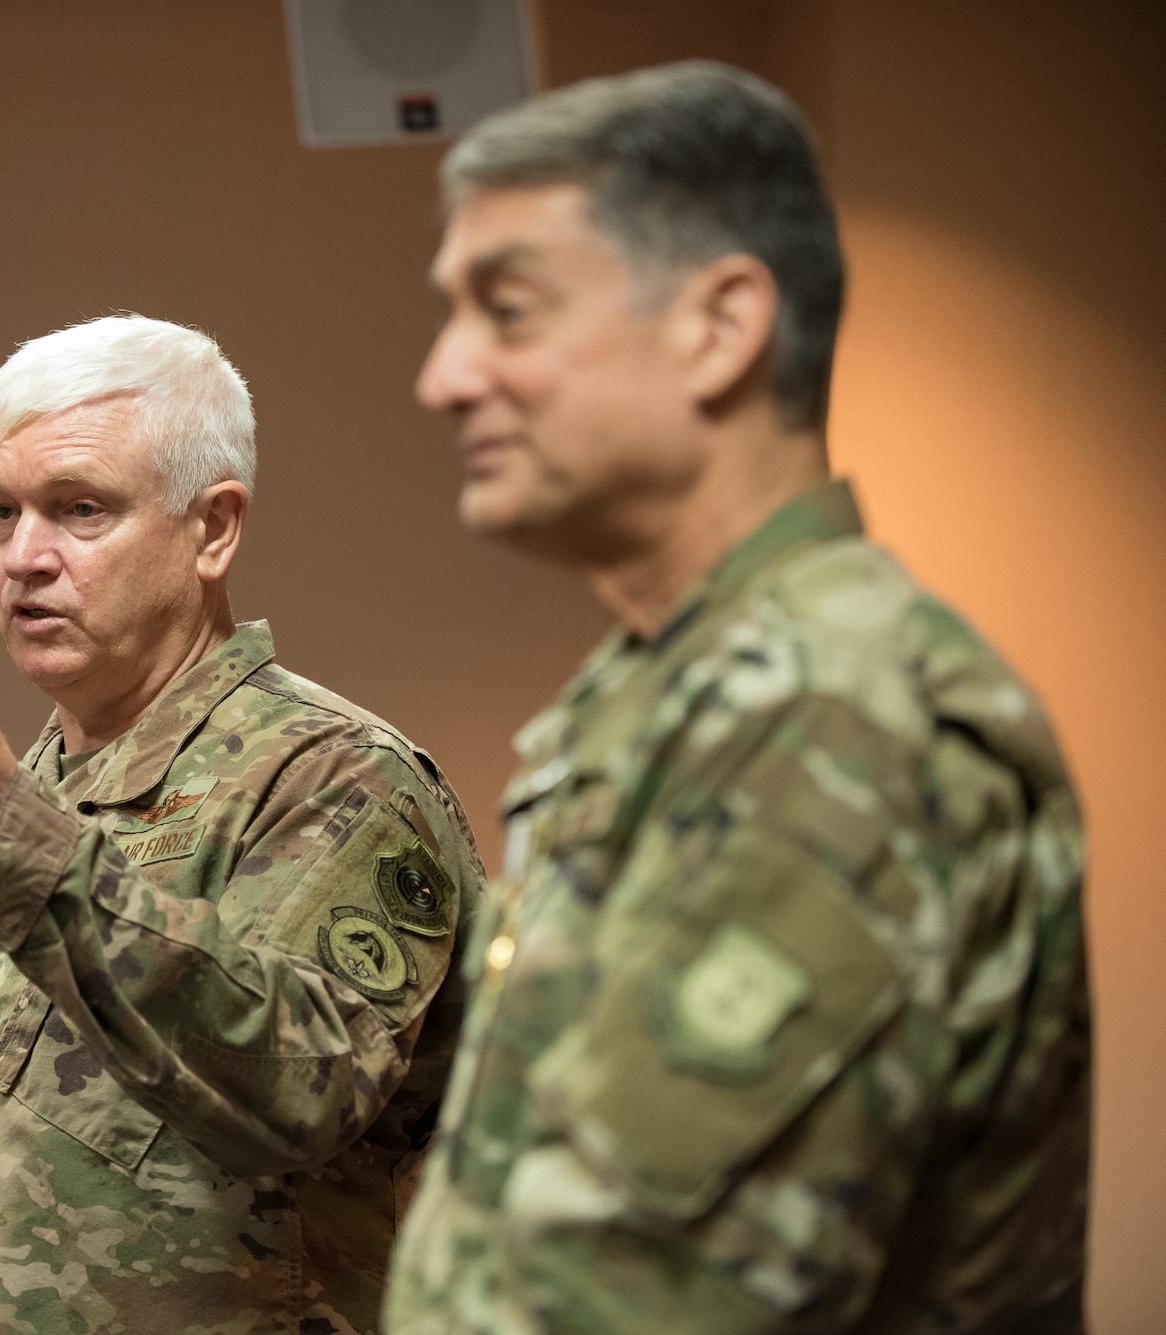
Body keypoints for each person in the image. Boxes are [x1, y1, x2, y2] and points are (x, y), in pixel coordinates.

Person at [383, 62, 1092, 1334]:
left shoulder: (831, 713)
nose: (442, 377)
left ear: (717, 328)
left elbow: (631, 1302)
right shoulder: (674, 685)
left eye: (507, 309)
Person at [0, 315, 485, 1334]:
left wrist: (8, 836)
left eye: (78, 509)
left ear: (211, 528)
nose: (23, 557)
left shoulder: (334, 775)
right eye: (2, 513)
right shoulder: (13, 794)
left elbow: (303, 1087)